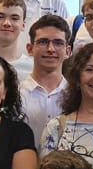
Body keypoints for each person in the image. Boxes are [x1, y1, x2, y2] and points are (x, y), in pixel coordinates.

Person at [16, 15, 73, 143]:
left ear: (68, 51)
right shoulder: (16, 95)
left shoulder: (77, 95)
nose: (50, 49)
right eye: (43, 42)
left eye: (58, 43)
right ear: (30, 49)